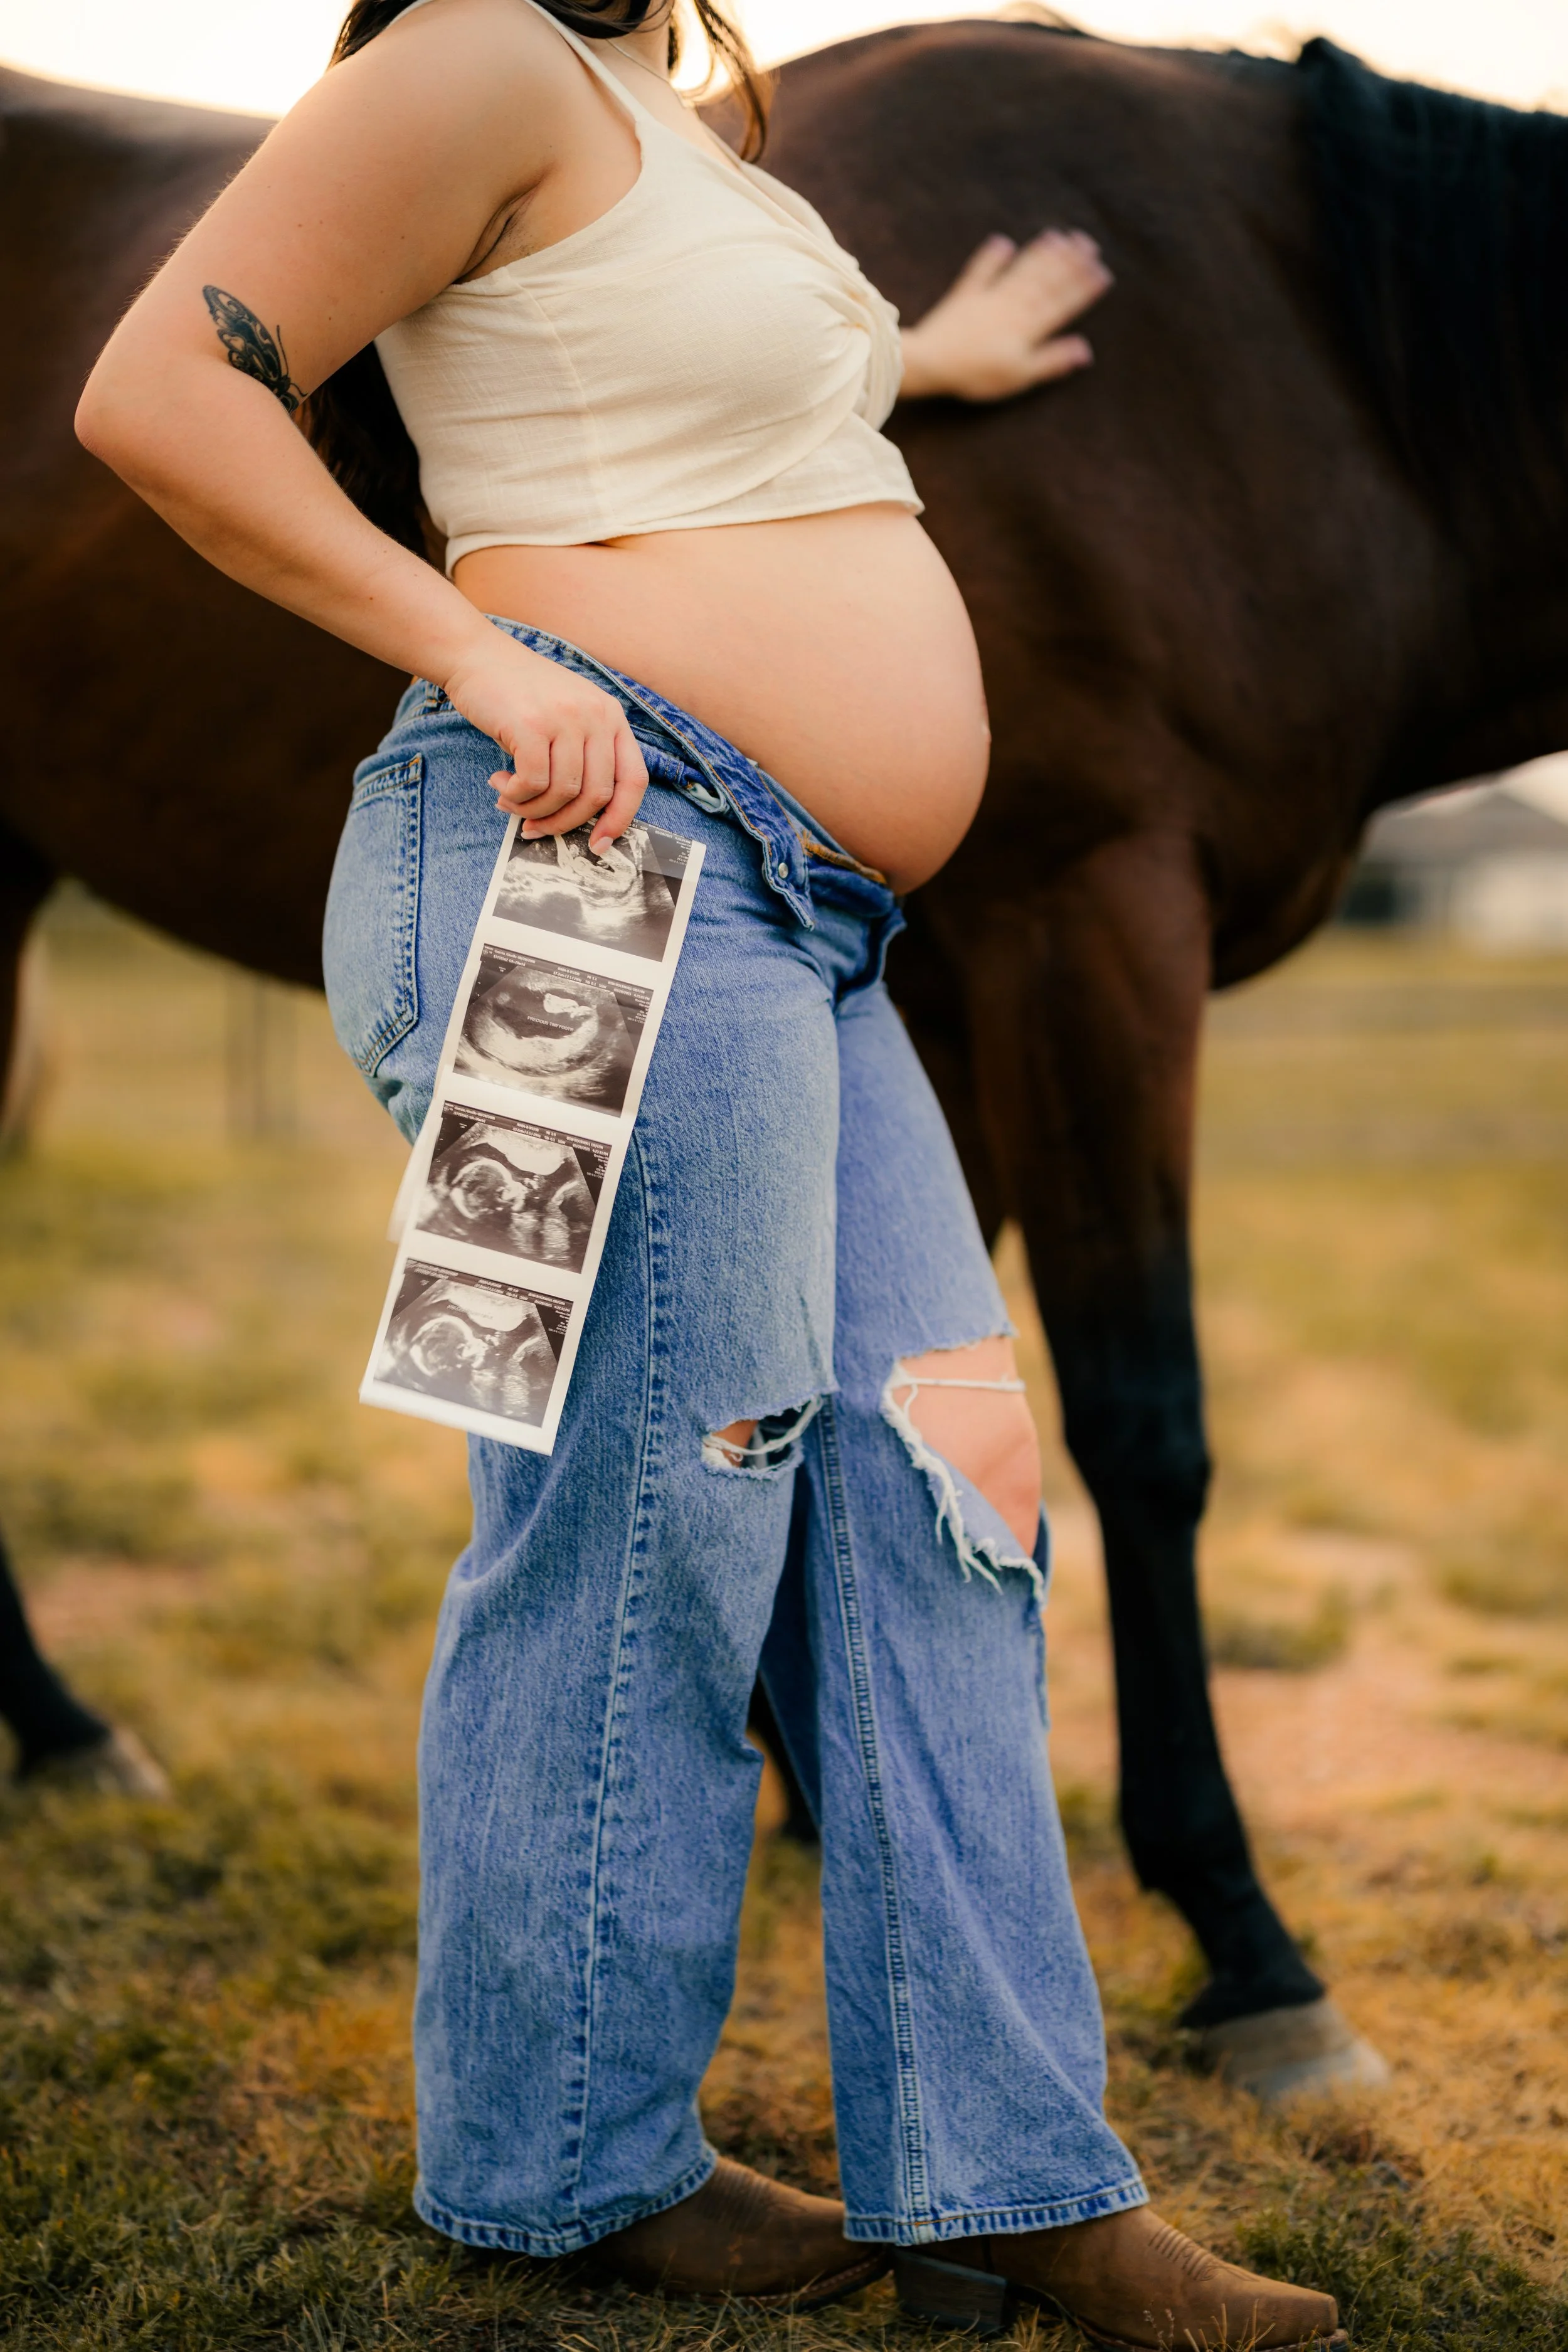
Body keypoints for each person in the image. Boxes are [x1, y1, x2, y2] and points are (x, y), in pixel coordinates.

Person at [75, 3, 1343, 2342]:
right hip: (571, 864)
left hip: (807, 916)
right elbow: (157, 387)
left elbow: (680, 413)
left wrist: (905, 366)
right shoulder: (461, 53)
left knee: (945, 1496)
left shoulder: (672, 118)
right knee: (643, 1507)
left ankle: (1005, 2176)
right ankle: (556, 2167)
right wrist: (469, 646)